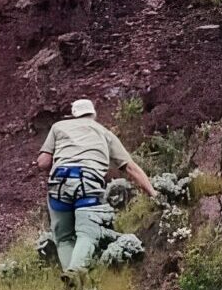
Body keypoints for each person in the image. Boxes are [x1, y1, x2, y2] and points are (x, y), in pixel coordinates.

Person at [35, 98, 158, 276]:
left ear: (73, 114)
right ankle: (75, 272)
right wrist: (153, 193)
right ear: (93, 114)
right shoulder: (105, 133)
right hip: (87, 183)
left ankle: (73, 287)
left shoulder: (59, 127)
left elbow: (44, 162)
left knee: (63, 238)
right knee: (87, 233)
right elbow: (131, 168)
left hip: (59, 183)